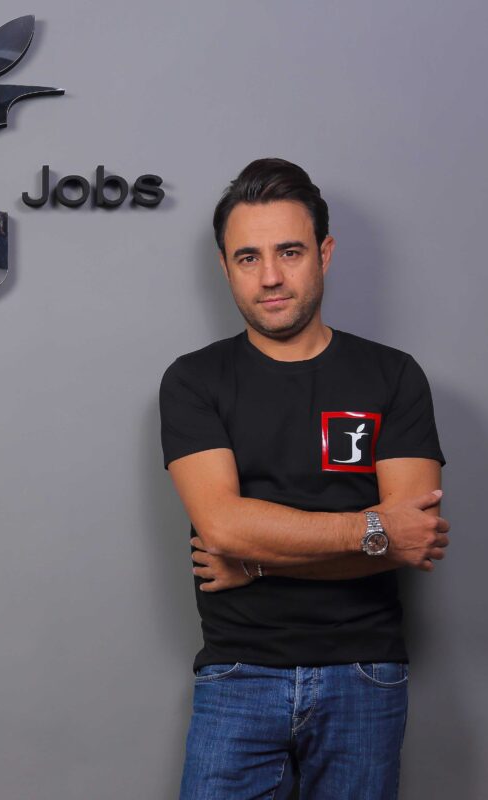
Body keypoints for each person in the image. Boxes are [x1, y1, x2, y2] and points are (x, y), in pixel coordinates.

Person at [159, 158, 449, 799]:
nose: (270, 276)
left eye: (289, 252)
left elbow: (412, 538)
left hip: (365, 672)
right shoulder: (193, 381)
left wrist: (257, 561)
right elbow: (222, 526)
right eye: (248, 257)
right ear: (225, 266)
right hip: (238, 672)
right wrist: (371, 530)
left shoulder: (394, 376)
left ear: (325, 253)